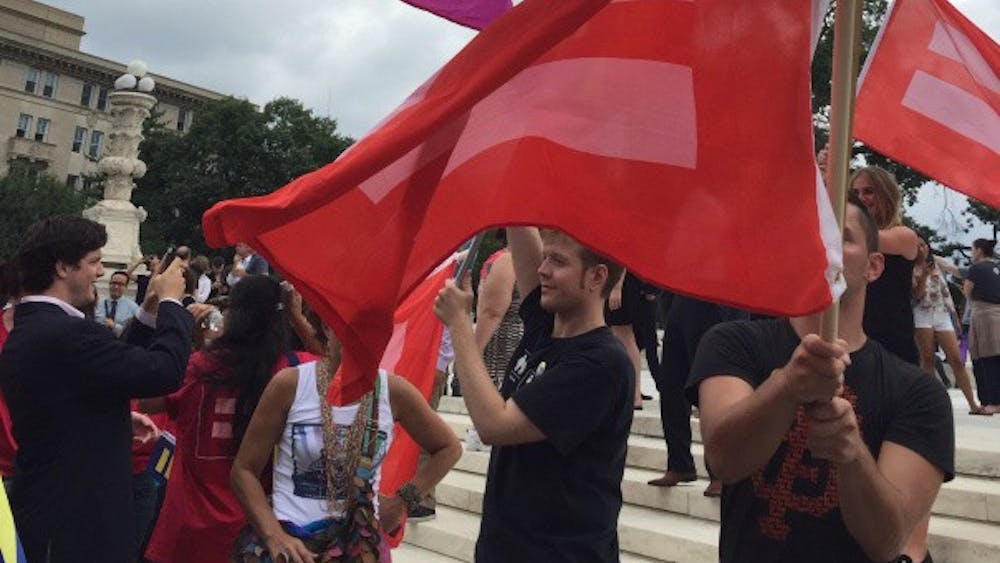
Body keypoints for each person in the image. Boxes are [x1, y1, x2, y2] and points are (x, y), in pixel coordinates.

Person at [686, 197, 954, 563]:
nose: (823, 245)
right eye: (811, 233)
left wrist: (851, 453)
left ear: (874, 266)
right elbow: (723, 460)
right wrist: (786, 387)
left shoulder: (917, 392)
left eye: (842, 237)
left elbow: (888, 541)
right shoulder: (733, 344)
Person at [0, 215, 194, 563]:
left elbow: (102, 373)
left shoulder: (42, 328)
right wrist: (171, 303)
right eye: (94, 261)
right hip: (76, 525)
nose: (102, 272)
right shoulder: (65, 334)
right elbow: (163, 372)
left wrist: (148, 310)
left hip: (57, 510)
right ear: (62, 267)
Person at [435, 227, 633, 562]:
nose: (543, 269)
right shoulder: (547, 326)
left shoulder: (601, 364)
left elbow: (494, 425)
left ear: (597, 276)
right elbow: (521, 227)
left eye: (557, 261)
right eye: (544, 258)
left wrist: (459, 325)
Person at [230, 313, 462, 562]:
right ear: (328, 328)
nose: (365, 343)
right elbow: (244, 471)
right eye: (353, 331)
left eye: (375, 333)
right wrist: (275, 535)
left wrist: (402, 501)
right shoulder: (291, 385)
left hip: (360, 549)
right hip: (294, 548)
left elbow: (449, 448)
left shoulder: (394, 392)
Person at [143, 275, 312, 563]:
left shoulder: (200, 367)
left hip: (189, 525)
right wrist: (297, 317)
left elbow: (147, 398)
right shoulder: (294, 372)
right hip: (259, 525)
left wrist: (188, 339)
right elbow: (343, 374)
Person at [851, 166, 920, 365]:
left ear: (886, 195)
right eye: (855, 193)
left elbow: (866, 238)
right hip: (856, 338)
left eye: (869, 191)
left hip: (893, 343)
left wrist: (831, 188)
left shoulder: (904, 235)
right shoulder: (846, 237)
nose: (861, 198)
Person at [911, 238, 988, 415]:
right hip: (922, 313)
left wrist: (955, 318)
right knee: (928, 360)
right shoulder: (910, 266)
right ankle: (929, 403)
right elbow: (917, 294)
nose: (921, 248)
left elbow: (949, 283)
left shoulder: (936, 262)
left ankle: (973, 404)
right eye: (918, 246)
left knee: (955, 359)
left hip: (942, 312)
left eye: (923, 244)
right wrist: (922, 274)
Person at [963, 239, 1000, 414]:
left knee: (986, 358)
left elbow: (967, 291)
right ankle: (990, 401)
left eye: (972, 249)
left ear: (978, 251)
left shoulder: (976, 269)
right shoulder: (997, 268)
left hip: (984, 315)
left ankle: (992, 401)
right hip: (996, 313)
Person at [607, 271, 647, 409]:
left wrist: (617, 287)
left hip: (621, 284)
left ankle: (635, 394)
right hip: (617, 283)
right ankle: (632, 393)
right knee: (619, 336)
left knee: (624, 336)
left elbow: (621, 259)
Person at [95, 270, 141, 336]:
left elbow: (134, 331)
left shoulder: (133, 308)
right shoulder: (98, 304)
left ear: (126, 287)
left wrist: (115, 327)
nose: (116, 287)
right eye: (114, 283)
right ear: (109, 284)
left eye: (120, 284)